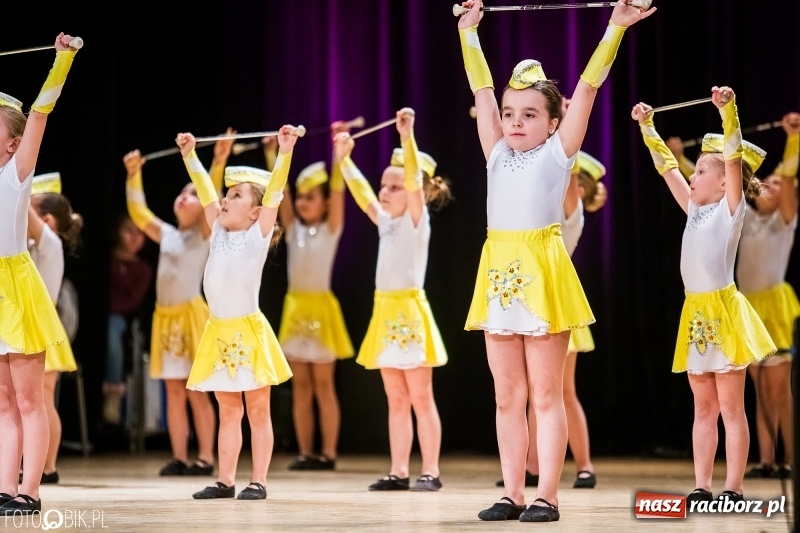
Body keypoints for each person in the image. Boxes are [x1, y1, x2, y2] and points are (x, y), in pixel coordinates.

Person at [457, 0, 653, 522]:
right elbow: (480, 87)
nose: (515, 122)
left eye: (529, 114)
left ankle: (547, 494)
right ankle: (512, 492)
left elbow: (587, 87)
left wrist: (614, 27)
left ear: (552, 121)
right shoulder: (496, 153)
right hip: (499, 272)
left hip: (542, 271)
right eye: (508, 112)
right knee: (507, 397)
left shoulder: (558, 154)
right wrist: (469, 33)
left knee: (547, 394)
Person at [632, 86, 776, 504]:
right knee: (703, 408)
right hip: (695, 314)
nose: (691, 176)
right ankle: (702, 485)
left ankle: (733, 487)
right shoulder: (695, 209)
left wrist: (729, 111)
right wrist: (647, 126)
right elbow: (666, 168)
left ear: (723, 182)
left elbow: (733, 160)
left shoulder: (731, 209)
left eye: (699, 173)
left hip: (723, 312)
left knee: (732, 407)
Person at [668, 114, 800, 480]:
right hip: (699, 314)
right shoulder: (710, 210)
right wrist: (660, 143)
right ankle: (745, 468)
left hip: (735, 309)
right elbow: (697, 178)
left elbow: (726, 166)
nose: (773, 186)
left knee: (758, 398)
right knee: (714, 406)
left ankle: (769, 469)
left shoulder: (758, 214)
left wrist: (730, 113)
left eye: (778, 183)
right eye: (767, 181)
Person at [176, 125, 298, 500]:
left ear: (256, 212)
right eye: (225, 196)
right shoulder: (217, 231)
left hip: (248, 332)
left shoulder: (256, 235)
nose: (223, 201)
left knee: (258, 410)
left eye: (235, 196)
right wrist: (190, 155)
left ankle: (258, 480)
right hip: (218, 332)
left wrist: (285, 151)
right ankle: (224, 479)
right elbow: (204, 186)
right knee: (228, 411)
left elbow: (275, 192)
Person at [336, 108, 452, 492]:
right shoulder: (386, 221)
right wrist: (345, 161)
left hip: (410, 313)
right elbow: (361, 193)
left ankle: (430, 470)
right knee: (396, 397)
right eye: (384, 186)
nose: (384, 192)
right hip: (384, 312)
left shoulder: (417, 221)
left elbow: (414, 185)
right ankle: (399, 470)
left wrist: (407, 136)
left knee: (421, 395)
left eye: (394, 187)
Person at [0, 32, 80, 515]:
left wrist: (62, 60)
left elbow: (41, 112)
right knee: (3, 403)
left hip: (16, 286)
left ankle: (30, 490)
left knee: (30, 401)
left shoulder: (16, 174)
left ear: (11, 144)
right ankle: (5, 486)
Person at [123, 132, 234, 477]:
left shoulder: (204, 233)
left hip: (190, 316)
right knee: (172, 389)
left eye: (192, 193)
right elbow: (139, 213)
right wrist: (133, 175)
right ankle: (178, 455)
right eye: (182, 192)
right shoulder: (168, 234)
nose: (187, 196)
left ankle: (205, 456)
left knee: (197, 390)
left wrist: (216, 162)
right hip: (165, 319)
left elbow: (208, 194)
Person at [498, 151, 608, 490]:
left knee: (561, 392)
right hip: (531, 303)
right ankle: (531, 466)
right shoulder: (542, 209)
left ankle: (584, 465)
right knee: (533, 393)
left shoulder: (569, 214)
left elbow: (567, 165)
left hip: (556, 305)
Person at [271, 122, 355, 471]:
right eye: (301, 197)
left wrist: (338, 157)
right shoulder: (292, 229)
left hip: (320, 309)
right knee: (300, 386)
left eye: (311, 197)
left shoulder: (331, 228)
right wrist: (276, 150)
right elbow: (281, 195)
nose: (303, 202)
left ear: (323, 203)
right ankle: (306, 452)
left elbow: (338, 192)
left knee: (323, 384)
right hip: (295, 309)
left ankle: (329, 453)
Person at [25, 172, 83, 485]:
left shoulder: (48, 241)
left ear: (46, 219)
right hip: (29, 325)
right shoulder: (33, 243)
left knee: (42, 399)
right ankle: (40, 465)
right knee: (34, 399)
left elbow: (18, 204)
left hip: (42, 326)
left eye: (30, 207)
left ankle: (47, 466)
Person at [104, 214, 153, 426]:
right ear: (117, 233)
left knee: (112, 330)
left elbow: (132, 302)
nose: (134, 237)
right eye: (128, 230)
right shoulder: (106, 261)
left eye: (139, 232)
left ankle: (113, 393)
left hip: (121, 319)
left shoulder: (142, 269)